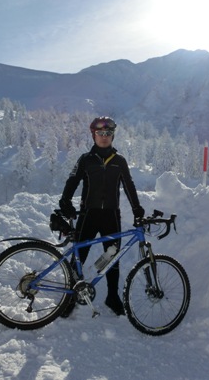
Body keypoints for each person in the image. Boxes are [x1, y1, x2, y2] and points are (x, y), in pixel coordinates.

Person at [59, 116, 145, 316]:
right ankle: (71, 296)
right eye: (100, 133)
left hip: (111, 215)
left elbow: (129, 186)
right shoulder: (85, 159)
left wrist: (137, 209)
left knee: (113, 257)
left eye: (107, 134)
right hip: (88, 214)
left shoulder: (119, 161)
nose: (104, 137)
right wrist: (65, 201)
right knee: (79, 256)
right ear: (93, 135)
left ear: (112, 136)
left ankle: (112, 297)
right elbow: (72, 181)